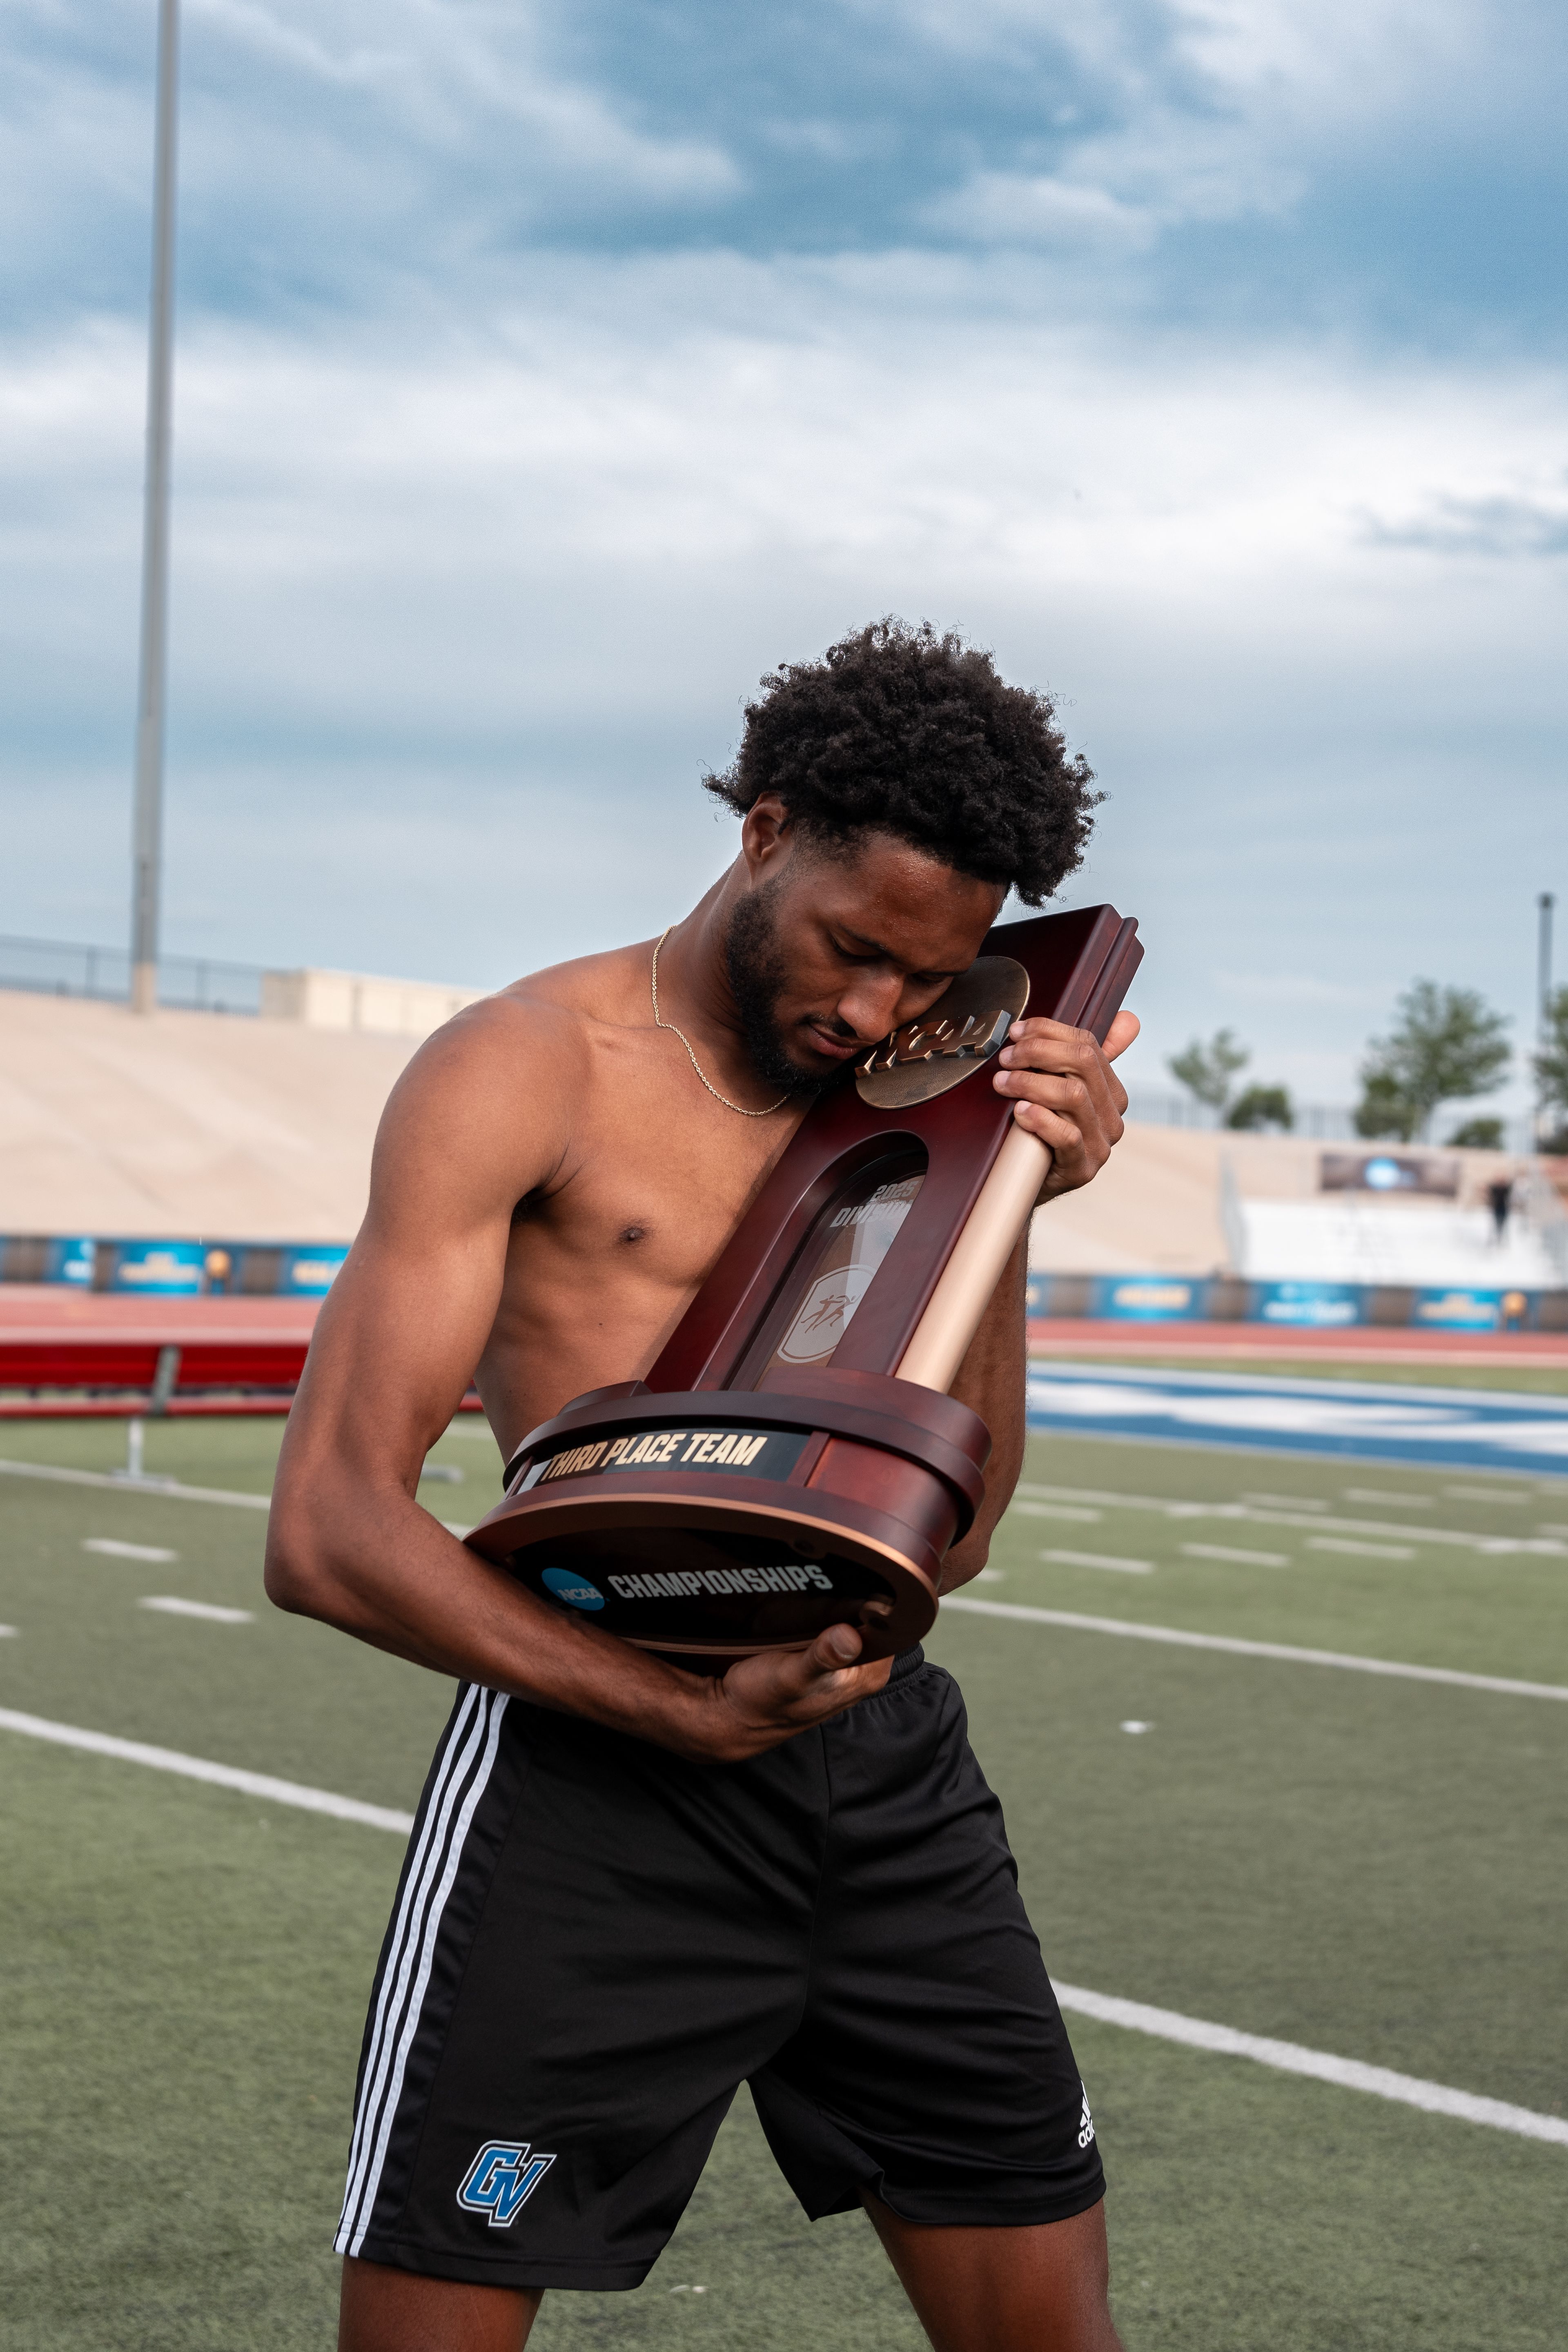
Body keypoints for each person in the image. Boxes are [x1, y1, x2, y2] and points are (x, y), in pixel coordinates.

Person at [266, 619, 1139, 2352]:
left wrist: (1007, 1202)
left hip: (877, 1772)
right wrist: (673, 1722)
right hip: (591, 1783)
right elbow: (329, 1533)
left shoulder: (922, 1101)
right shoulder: (526, 1067)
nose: (876, 1013)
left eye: (927, 978)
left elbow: (947, 1543)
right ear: (763, 834)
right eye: (852, 950)